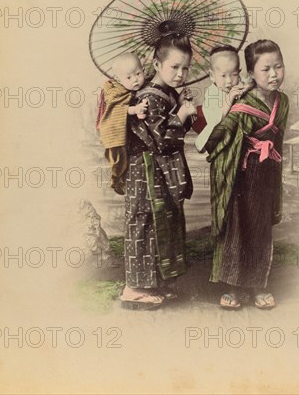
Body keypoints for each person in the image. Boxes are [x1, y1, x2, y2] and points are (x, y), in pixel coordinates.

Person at [205, 39, 289, 310]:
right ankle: (233, 287)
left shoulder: (282, 102)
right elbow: (215, 138)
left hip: (266, 174)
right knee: (238, 228)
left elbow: (279, 142)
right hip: (240, 175)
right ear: (251, 73)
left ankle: (257, 286)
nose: (274, 74)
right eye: (265, 69)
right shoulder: (241, 104)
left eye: (278, 66)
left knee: (261, 229)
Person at [120, 33, 196, 309]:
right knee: (144, 222)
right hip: (144, 170)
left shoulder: (166, 94)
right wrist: (183, 115)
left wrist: (181, 107)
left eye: (185, 67)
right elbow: (162, 141)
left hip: (158, 170)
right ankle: (134, 289)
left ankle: (155, 284)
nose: (180, 73)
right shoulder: (148, 97)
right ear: (156, 64)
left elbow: (172, 134)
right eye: (174, 67)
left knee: (160, 221)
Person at [96, 53, 148, 195]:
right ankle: (117, 178)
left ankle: (122, 178)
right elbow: (116, 110)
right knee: (120, 159)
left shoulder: (143, 88)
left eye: (138, 73)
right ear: (118, 79)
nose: (135, 80)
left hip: (133, 140)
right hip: (116, 131)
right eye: (129, 77)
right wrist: (135, 109)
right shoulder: (116, 91)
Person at [195, 45, 250, 153]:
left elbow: (249, 82)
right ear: (212, 75)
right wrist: (229, 99)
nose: (229, 81)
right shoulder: (212, 94)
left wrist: (247, 86)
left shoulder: (238, 83)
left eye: (234, 74)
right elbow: (215, 119)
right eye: (223, 76)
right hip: (219, 135)